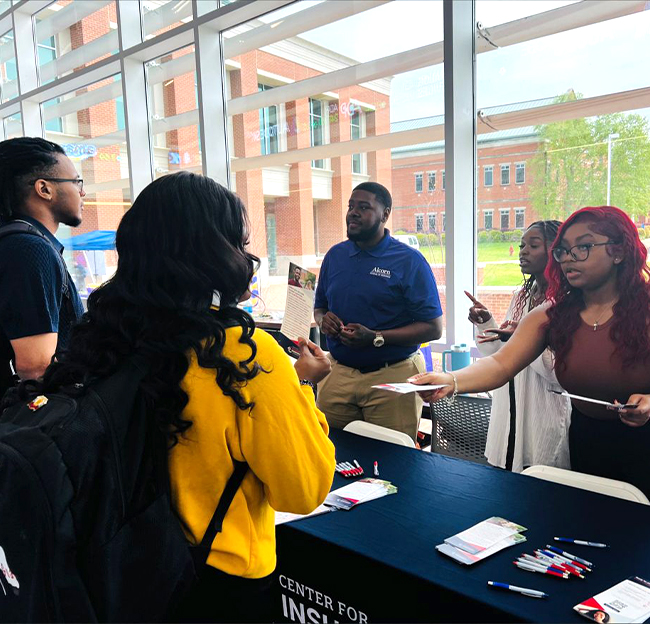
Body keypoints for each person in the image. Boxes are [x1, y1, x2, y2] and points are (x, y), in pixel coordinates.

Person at [40, 172, 336, 622]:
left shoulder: (100, 336)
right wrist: (303, 386)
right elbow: (304, 490)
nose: (248, 255)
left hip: (114, 565)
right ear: (215, 252)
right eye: (240, 242)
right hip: (214, 578)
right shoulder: (244, 356)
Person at [411, 206, 650, 496]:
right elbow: (501, 364)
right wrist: (451, 380)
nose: (569, 258)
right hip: (585, 440)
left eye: (583, 247)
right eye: (563, 250)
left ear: (619, 252)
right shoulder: (552, 314)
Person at [314, 181, 443, 441]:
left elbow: (433, 327)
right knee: (329, 453)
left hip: (392, 376)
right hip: (337, 373)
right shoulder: (335, 256)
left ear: (385, 215)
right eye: (351, 206)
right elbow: (319, 308)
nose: (353, 212)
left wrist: (376, 336)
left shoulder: (409, 261)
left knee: (392, 463)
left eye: (364, 207)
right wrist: (323, 321)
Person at [467, 221, 571, 472]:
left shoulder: (566, 304)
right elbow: (497, 357)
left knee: (541, 492)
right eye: (522, 245)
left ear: (555, 252)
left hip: (542, 415)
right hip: (507, 417)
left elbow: (558, 373)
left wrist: (522, 339)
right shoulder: (521, 297)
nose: (523, 251)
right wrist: (486, 324)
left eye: (533, 245)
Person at [0, 137, 85, 398]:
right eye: (76, 182)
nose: (82, 192)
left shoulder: (17, 241)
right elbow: (36, 367)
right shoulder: (28, 249)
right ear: (44, 189)